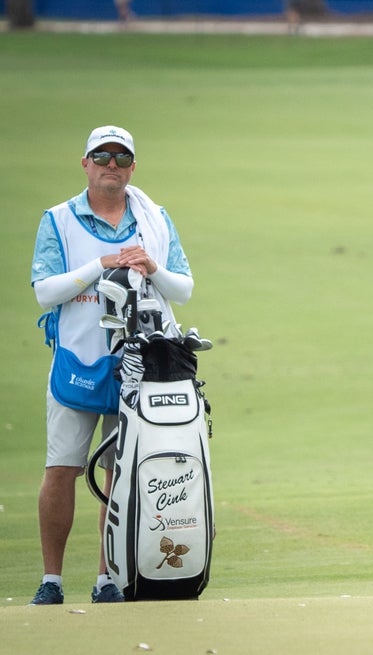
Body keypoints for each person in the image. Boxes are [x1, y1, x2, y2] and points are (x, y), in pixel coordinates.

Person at [29, 125, 194, 604]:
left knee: (120, 471)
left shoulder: (154, 219)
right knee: (62, 468)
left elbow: (183, 289)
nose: (112, 165)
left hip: (139, 363)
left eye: (122, 158)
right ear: (85, 162)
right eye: (102, 156)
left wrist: (153, 267)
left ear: (132, 168)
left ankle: (107, 577)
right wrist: (101, 264)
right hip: (78, 357)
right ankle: (51, 580)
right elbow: (45, 291)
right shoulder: (58, 219)